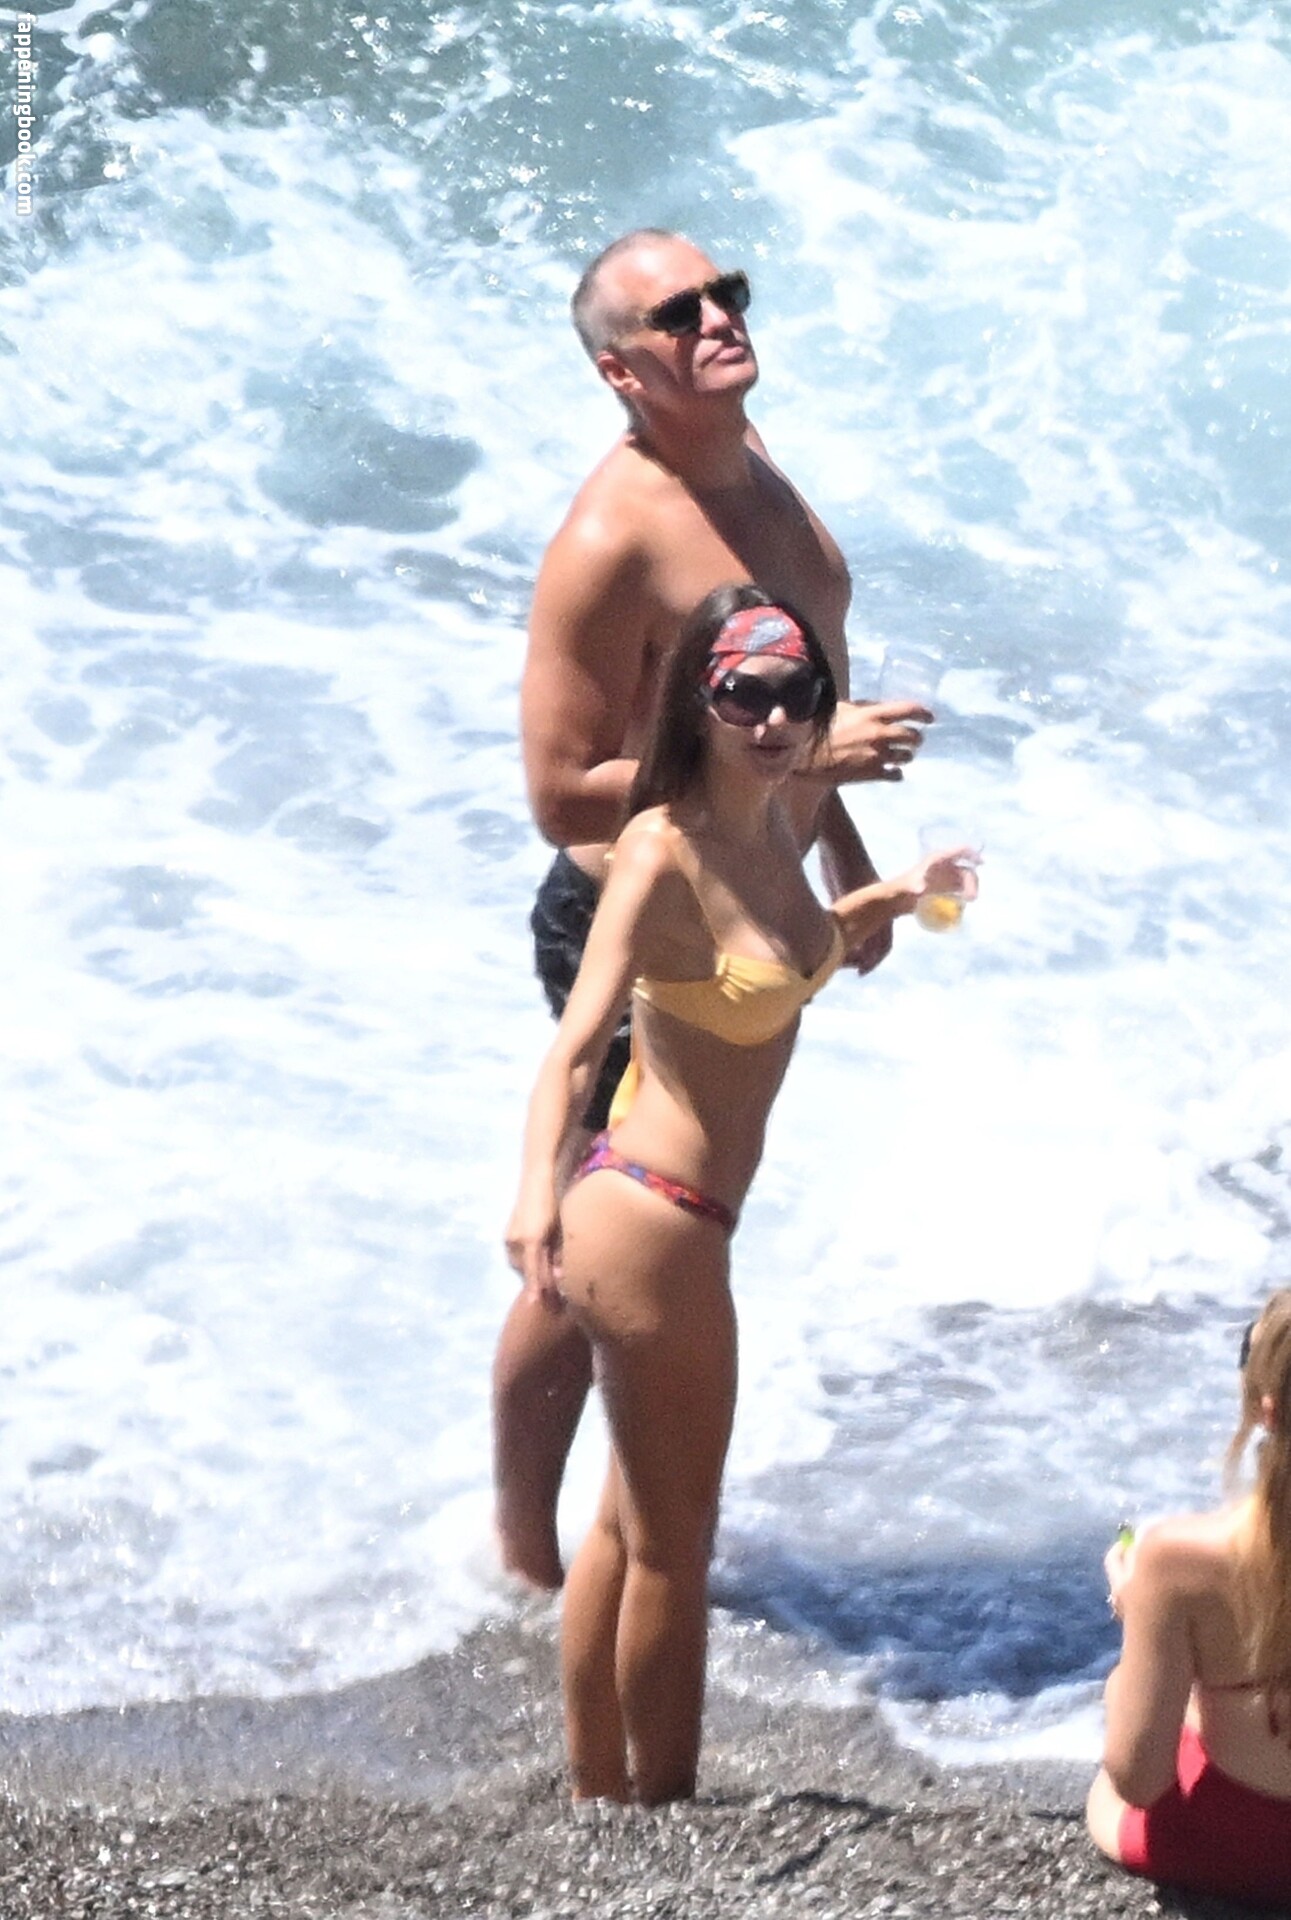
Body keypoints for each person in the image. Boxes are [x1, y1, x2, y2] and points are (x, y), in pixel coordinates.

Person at [496, 227, 934, 1589]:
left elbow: (790, 694)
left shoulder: (750, 468)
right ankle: (528, 1556)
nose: (715, 320)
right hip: (644, 926)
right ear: (621, 372)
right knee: (606, 1233)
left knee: (670, 1225)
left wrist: (832, 857)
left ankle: (628, 1519)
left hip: (755, 897)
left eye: (723, 293)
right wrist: (805, 766)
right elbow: (560, 793)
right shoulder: (611, 539)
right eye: (675, 314)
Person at [505, 586, 976, 1803]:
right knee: (675, 1547)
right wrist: (530, 1197)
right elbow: (575, 1045)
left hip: (679, 1222)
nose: (771, 718)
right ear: (697, 703)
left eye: (795, 694)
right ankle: (662, 1804)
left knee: (629, 1522)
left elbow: (787, 962)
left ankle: (599, 1791)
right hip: (647, 1219)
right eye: (742, 693)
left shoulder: (771, 829)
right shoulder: (661, 847)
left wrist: (895, 894)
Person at [1087, 1290, 1291, 1907]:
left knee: (1120, 1753)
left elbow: (1141, 1781)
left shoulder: (1179, 1559)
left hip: (1246, 1848)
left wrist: (1141, 1615)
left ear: (1267, 1409)